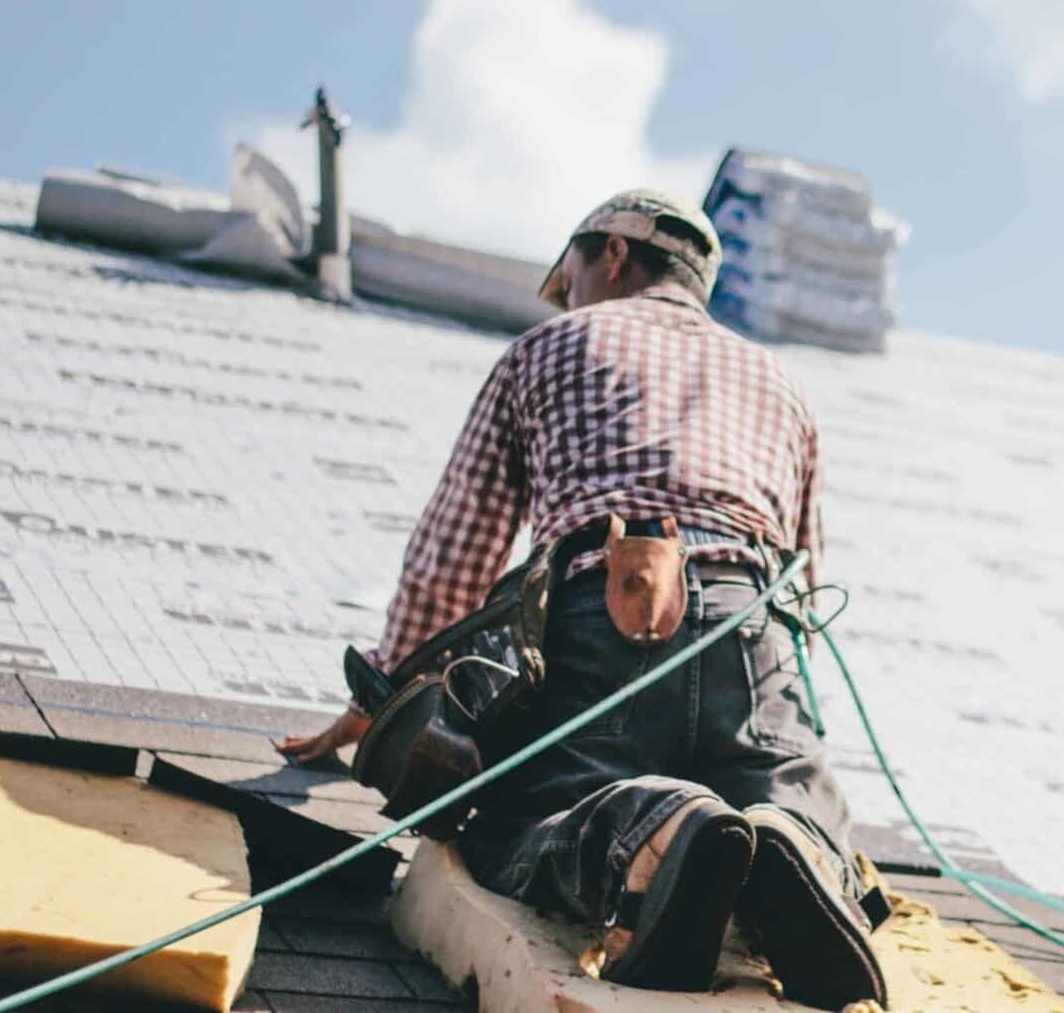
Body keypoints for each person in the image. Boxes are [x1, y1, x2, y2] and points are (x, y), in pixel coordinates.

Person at [278, 189, 884, 1009]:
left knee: (528, 813)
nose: (566, 295)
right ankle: (792, 845)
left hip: (602, 613)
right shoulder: (780, 382)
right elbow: (806, 577)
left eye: (568, 277)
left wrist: (385, 694)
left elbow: (455, 550)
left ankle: (656, 833)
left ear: (612, 255)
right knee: (781, 792)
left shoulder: (550, 346)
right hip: (754, 626)